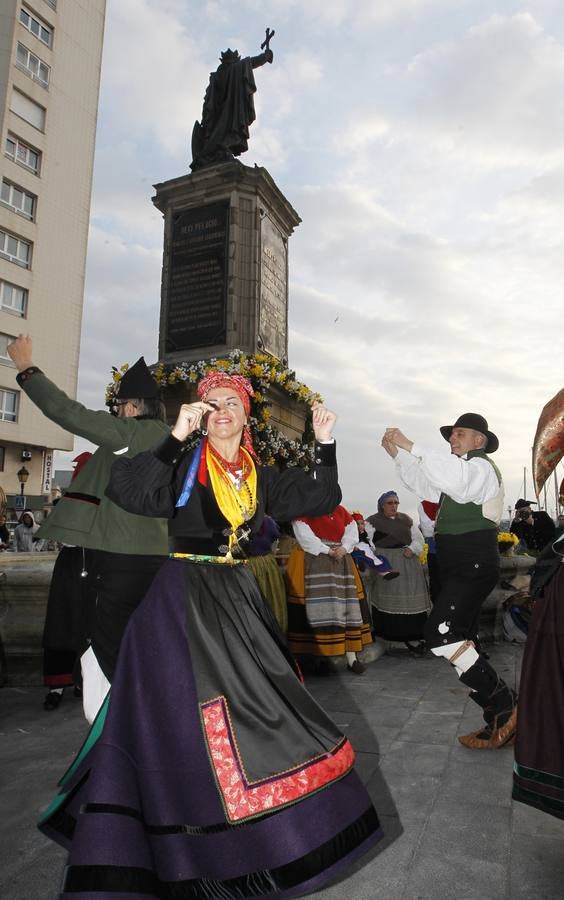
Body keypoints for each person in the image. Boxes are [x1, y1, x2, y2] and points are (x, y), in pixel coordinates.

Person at [38, 371, 382, 898]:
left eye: (231, 403)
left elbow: (321, 493)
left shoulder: (260, 476)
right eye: (212, 404)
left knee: (258, 709)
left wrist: (326, 440)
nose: (221, 409)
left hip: (235, 600)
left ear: (246, 417)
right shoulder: (182, 465)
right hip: (181, 599)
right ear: (200, 415)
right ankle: (180, 839)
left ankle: (255, 842)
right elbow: (128, 491)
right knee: (185, 720)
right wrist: (175, 436)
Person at [7, 336, 170, 722]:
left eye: (119, 407)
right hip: (156, 558)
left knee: (101, 648)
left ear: (132, 408)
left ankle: (113, 728)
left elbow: (68, 412)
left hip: (114, 556)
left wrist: (27, 368)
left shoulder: (128, 433)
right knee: (142, 642)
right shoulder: (173, 438)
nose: (116, 413)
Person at [382, 413, 517, 749]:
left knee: (440, 633)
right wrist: (400, 455)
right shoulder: (459, 470)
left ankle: (505, 704)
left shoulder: (480, 468)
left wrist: (411, 445)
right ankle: (499, 715)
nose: (453, 439)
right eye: (451, 435)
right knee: (463, 642)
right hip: (460, 562)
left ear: (479, 441)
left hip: (473, 560)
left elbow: (451, 477)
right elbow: (427, 482)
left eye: (460, 434)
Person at [286, 504, 373, 674]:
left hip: (340, 561)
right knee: (318, 608)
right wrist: (327, 550)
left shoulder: (340, 510)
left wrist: (344, 548)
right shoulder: (304, 509)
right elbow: (304, 535)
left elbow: (351, 531)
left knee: (347, 608)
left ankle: (351, 658)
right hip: (314, 560)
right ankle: (318, 659)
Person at [42, 454, 95, 712]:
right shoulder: (67, 502)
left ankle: (81, 682)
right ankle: (56, 686)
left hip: (91, 564)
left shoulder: (104, 502)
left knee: (87, 626)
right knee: (63, 623)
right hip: (72, 566)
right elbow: (59, 535)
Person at [191, 40, 273, 170]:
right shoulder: (238, 67)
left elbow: (208, 103)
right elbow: (253, 62)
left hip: (217, 116)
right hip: (231, 113)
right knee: (229, 130)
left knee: (220, 132)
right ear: (236, 59)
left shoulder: (216, 75)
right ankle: (220, 148)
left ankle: (216, 149)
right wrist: (266, 56)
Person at [366, 492, 430, 652]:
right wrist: (376, 558)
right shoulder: (372, 522)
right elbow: (366, 541)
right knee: (387, 597)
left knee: (411, 598)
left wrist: (412, 548)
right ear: (382, 505)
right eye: (390, 503)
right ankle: (389, 635)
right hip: (387, 564)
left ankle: (414, 635)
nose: (394, 505)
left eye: (396, 502)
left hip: (408, 562)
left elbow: (419, 539)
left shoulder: (406, 520)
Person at [246, 514, 288, 631]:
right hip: (257, 566)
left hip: (257, 566)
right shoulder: (267, 520)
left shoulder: (267, 521)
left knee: (268, 598)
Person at [418, 500, 441, 605]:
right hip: (435, 552)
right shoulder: (423, 505)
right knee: (436, 585)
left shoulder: (453, 499)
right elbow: (427, 530)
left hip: (453, 551)